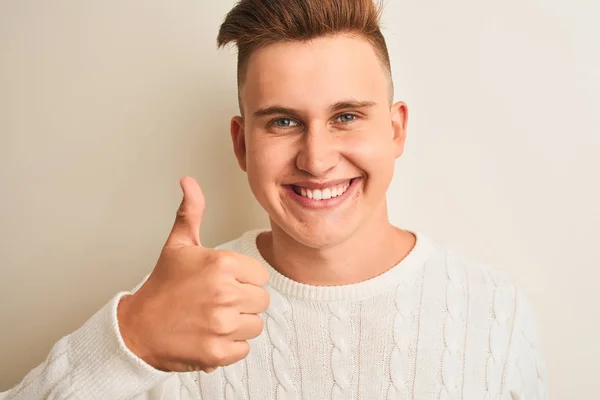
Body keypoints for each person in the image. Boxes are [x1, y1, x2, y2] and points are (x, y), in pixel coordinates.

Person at [1, 0, 548, 399]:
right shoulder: (178, 314)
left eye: (346, 117)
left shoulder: (496, 315)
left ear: (396, 129)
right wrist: (130, 340)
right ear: (242, 144)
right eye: (283, 122)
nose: (316, 158)